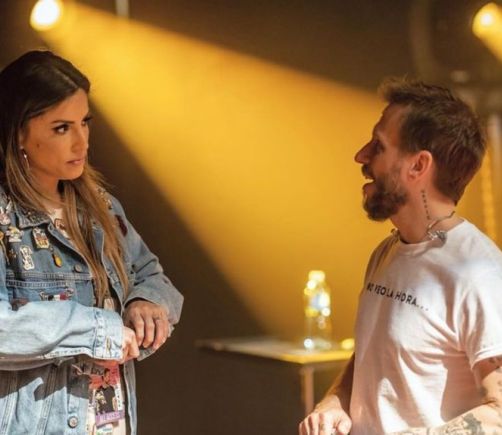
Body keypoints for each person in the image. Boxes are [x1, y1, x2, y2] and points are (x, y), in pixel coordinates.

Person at [299, 78, 502, 434]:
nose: (361, 156)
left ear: (418, 166)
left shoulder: (480, 273)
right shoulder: (388, 252)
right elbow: (373, 356)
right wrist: (336, 400)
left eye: (378, 146)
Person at [0, 50, 183, 435]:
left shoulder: (101, 207)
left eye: (85, 122)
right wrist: (96, 331)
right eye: (61, 128)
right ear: (18, 133)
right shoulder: (5, 217)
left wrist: (148, 302)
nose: (81, 142)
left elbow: (152, 274)